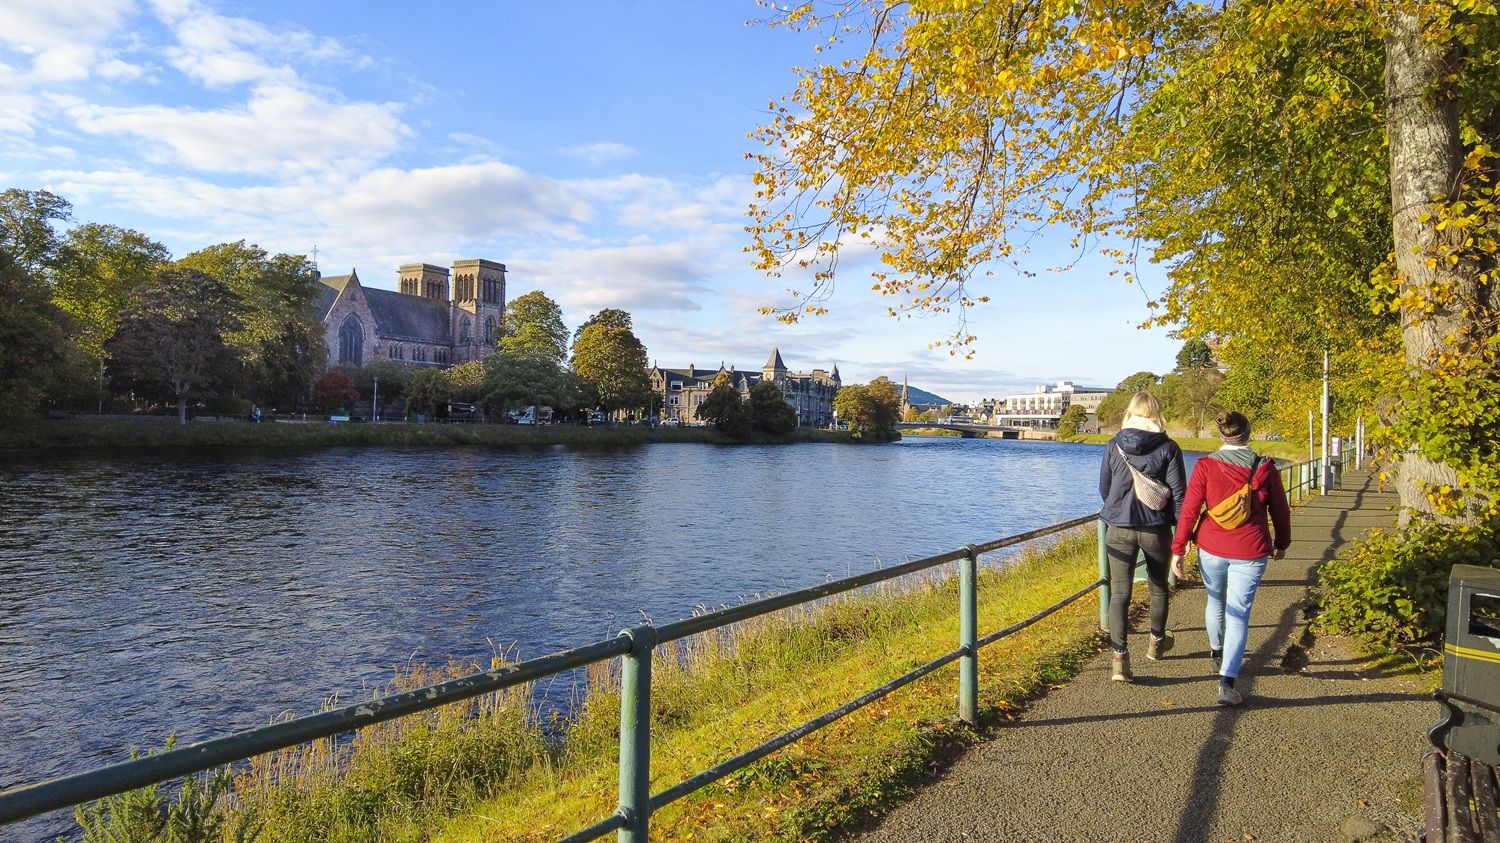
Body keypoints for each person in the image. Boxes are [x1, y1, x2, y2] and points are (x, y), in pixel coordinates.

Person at [1170, 410, 1291, 706]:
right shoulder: (1265, 468)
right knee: (1240, 614)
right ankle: (1227, 683)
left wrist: (1178, 547)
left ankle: (1215, 652)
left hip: (1211, 546)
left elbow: (1189, 509)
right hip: (1250, 550)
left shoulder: (1206, 466)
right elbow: (1280, 510)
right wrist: (1282, 542)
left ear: (1222, 435)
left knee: (1215, 600)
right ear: (1248, 433)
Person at [1099, 391, 1187, 682]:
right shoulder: (1169, 447)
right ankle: (1156, 644)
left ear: (1130, 412)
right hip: (1156, 528)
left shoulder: (1114, 444)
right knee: (1158, 586)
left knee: (1120, 593)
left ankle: (1119, 659)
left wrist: (1118, 509)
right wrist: (1181, 535)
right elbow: (1179, 495)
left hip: (1119, 529)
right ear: (1156, 413)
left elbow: (1105, 488)